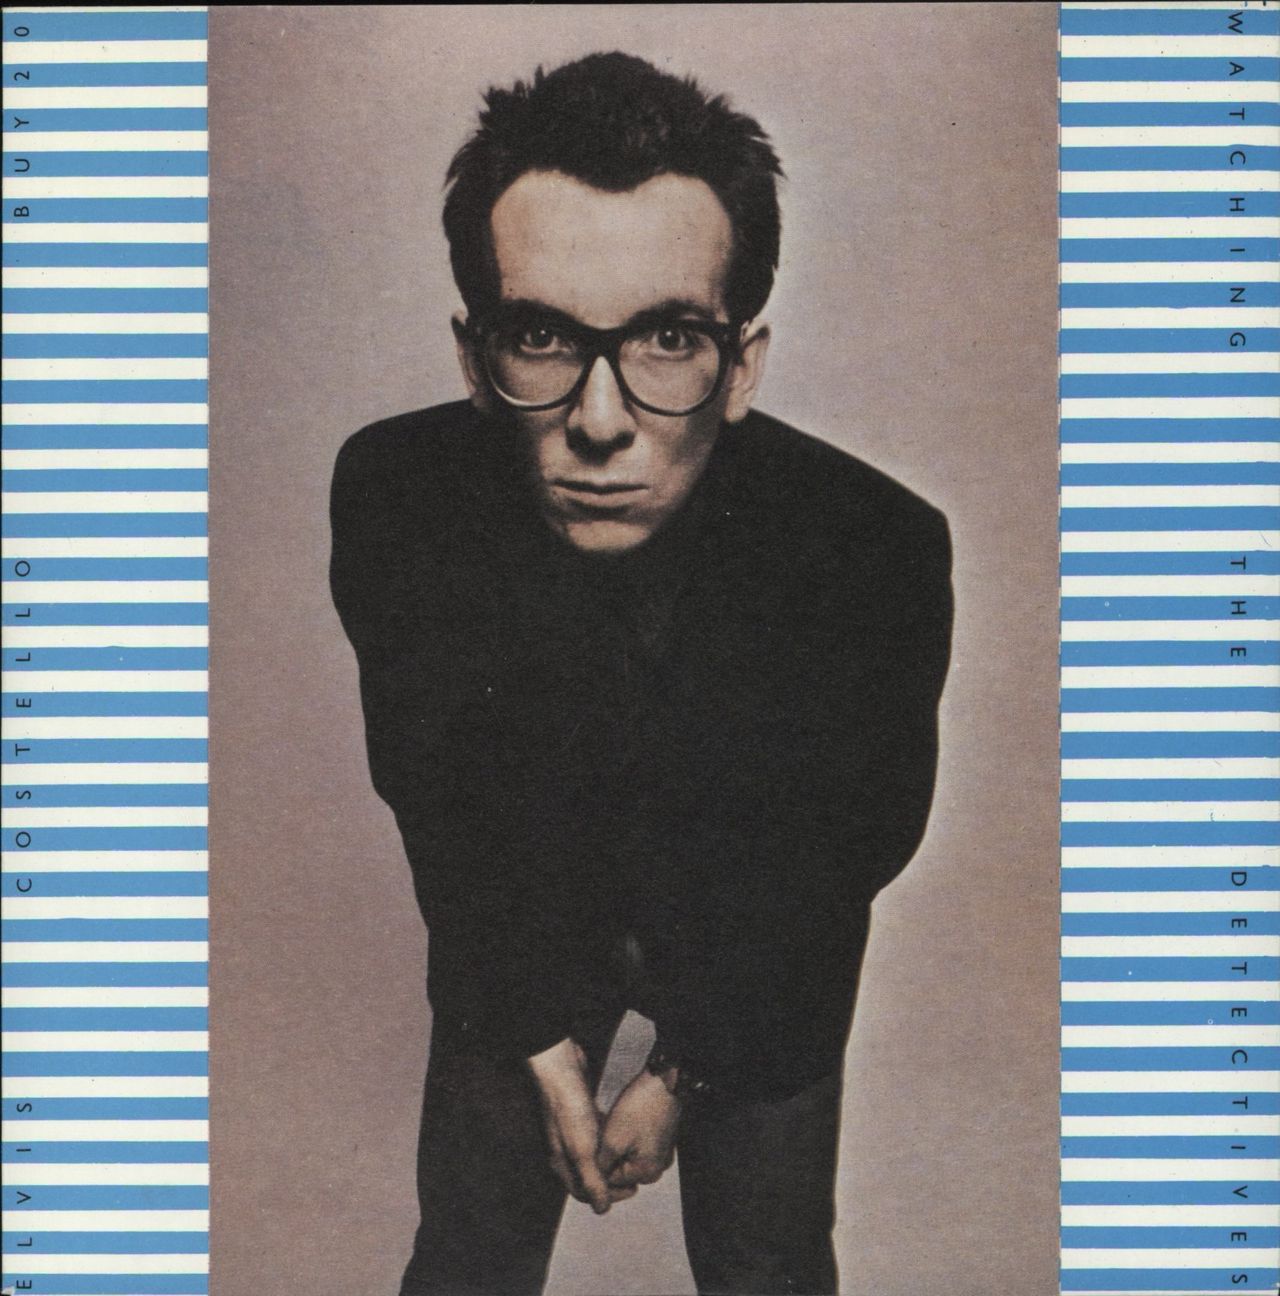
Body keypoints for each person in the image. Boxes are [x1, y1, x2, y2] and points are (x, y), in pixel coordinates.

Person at [329, 51, 953, 1296]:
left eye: (669, 338)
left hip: (767, 937)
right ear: (471, 357)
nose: (602, 420)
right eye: (541, 336)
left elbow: (849, 844)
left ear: (743, 362)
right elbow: (435, 791)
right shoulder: (400, 495)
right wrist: (532, 1042)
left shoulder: (870, 545)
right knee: (467, 1256)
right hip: (519, 908)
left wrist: (682, 1071)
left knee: (769, 1263)